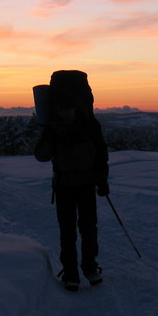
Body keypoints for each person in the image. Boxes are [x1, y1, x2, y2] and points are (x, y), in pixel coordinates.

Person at [34, 70, 109, 292]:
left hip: (82, 184)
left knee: (87, 229)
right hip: (67, 185)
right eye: (60, 109)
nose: (62, 113)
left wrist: (102, 178)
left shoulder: (89, 125)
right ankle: (73, 272)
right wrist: (50, 136)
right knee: (69, 231)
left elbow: (101, 153)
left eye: (65, 109)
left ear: (75, 107)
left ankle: (88, 268)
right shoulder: (65, 127)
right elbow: (41, 156)